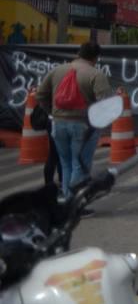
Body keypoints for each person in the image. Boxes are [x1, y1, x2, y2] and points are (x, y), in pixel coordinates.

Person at [35, 42, 113, 200]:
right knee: (80, 166)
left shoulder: (57, 70)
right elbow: (105, 102)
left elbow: (40, 95)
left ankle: (66, 199)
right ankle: (72, 203)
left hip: (58, 124)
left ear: (78, 53)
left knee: (66, 164)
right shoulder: (96, 75)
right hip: (84, 126)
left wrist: (52, 112)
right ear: (96, 58)